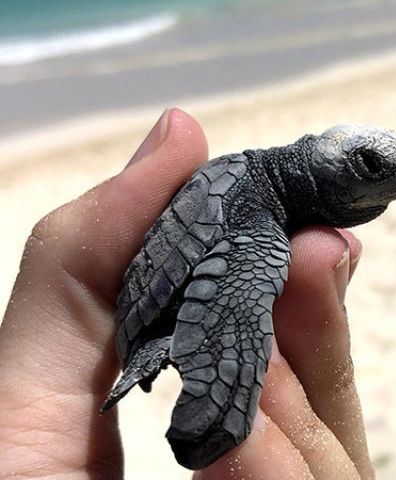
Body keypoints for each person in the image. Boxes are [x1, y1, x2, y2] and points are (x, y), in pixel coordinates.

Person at [0, 109, 374, 480]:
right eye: (372, 166)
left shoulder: (267, 198)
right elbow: (237, 290)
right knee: (256, 273)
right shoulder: (257, 217)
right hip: (156, 312)